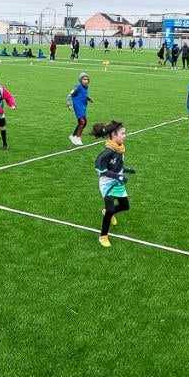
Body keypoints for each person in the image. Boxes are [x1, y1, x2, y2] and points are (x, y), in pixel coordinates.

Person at [93, 120, 134, 248]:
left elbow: (117, 165)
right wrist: (118, 176)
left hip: (117, 181)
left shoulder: (120, 148)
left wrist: (126, 170)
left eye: (124, 133)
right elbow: (101, 170)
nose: (124, 135)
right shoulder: (107, 152)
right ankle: (103, 236)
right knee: (111, 209)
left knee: (125, 206)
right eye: (122, 133)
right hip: (107, 183)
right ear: (113, 136)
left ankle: (106, 212)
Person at [68, 73, 92, 146]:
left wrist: (88, 98)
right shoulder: (77, 86)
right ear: (80, 80)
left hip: (83, 106)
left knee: (84, 122)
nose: (86, 81)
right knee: (82, 122)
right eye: (84, 79)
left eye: (87, 79)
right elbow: (70, 95)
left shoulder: (86, 87)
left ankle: (73, 136)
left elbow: (83, 94)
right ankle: (78, 138)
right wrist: (69, 104)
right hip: (77, 106)